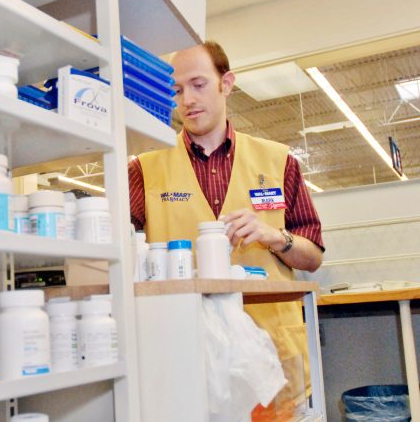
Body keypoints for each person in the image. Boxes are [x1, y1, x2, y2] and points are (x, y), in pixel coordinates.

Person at [128, 40, 324, 409]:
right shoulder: (144, 170)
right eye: (177, 90)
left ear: (227, 83)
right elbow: (118, 257)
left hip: (273, 353)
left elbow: (312, 257)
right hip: (186, 353)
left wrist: (275, 238)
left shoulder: (278, 161)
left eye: (199, 85)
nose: (187, 100)